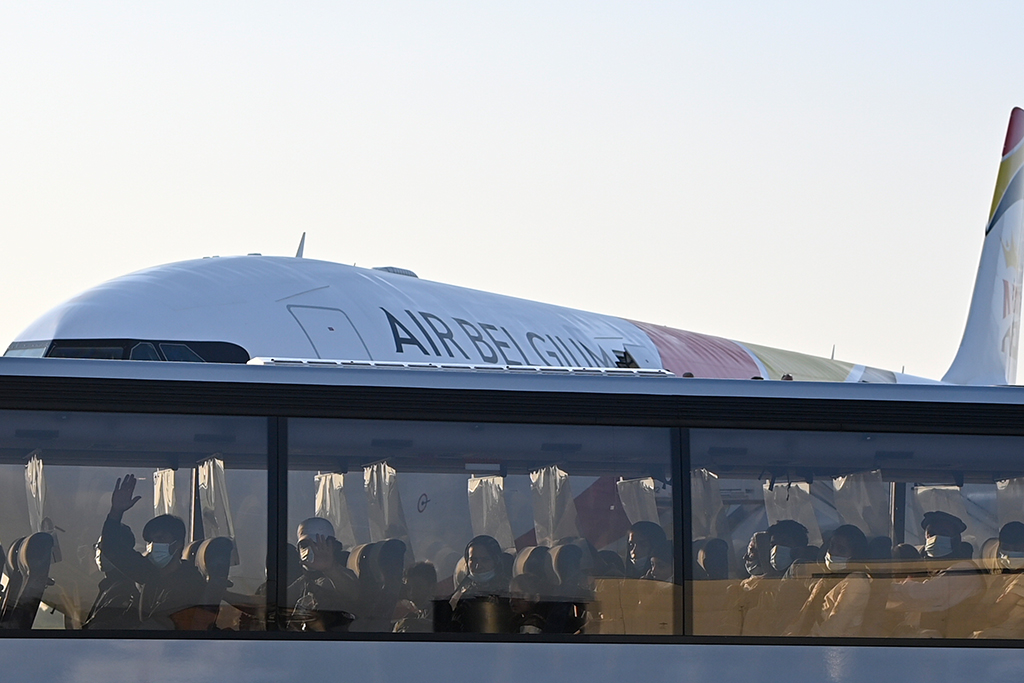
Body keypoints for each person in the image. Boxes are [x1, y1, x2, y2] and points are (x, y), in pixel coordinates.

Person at [101, 474, 205, 629]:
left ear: (177, 544)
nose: (153, 545)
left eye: (160, 538)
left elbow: (160, 625)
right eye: (149, 540)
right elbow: (113, 550)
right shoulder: (150, 573)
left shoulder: (189, 583)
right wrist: (116, 512)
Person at [888, 510, 984, 637]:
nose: (935, 539)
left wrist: (885, 588)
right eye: (931, 534)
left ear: (955, 540)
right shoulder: (931, 570)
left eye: (944, 534)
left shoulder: (964, 570)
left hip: (953, 644)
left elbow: (925, 594)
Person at [787, 525, 871, 637]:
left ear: (854, 556)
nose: (832, 552)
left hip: (830, 649)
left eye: (841, 549)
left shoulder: (856, 582)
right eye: (831, 546)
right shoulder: (829, 579)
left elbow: (834, 629)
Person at [286, 517, 359, 632]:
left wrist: (330, 569)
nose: (312, 549)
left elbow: (353, 594)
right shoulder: (303, 581)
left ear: (332, 546)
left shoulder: (341, 575)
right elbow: (276, 602)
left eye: (318, 543)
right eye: (304, 544)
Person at [448, 535, 512, 633]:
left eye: (485, 560)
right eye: (473, 560)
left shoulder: (507, 591)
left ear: (496, 560)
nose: (478, 566)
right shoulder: (462, 590)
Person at [83, 523, 140, 630]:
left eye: (107, 547)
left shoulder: (125, 590)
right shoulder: (106, 586)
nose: (100, 551)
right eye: (98, 546)